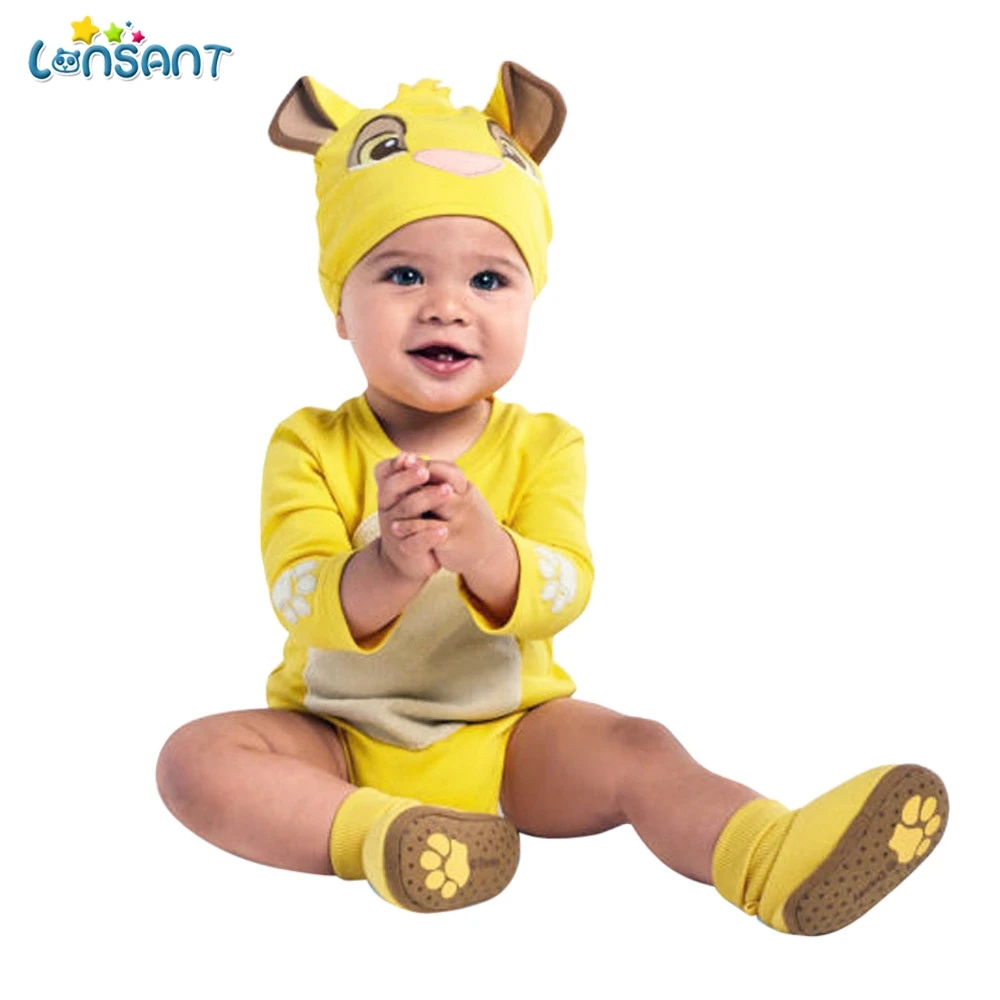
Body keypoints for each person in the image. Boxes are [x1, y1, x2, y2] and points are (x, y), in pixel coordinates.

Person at [155, 62, 947, 932]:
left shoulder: (545, 445)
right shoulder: (309, 442)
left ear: (532, 299)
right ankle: (386, 837)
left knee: (639, 746)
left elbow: (565, 588)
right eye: (403, 276)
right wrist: (389, 564)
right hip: (338, 744)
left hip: (514, 738)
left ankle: (769, 855)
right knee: (196, 760)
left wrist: (484, 551)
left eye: (489, 281)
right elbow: (298, 595)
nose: (447, 308)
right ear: (340, 305)